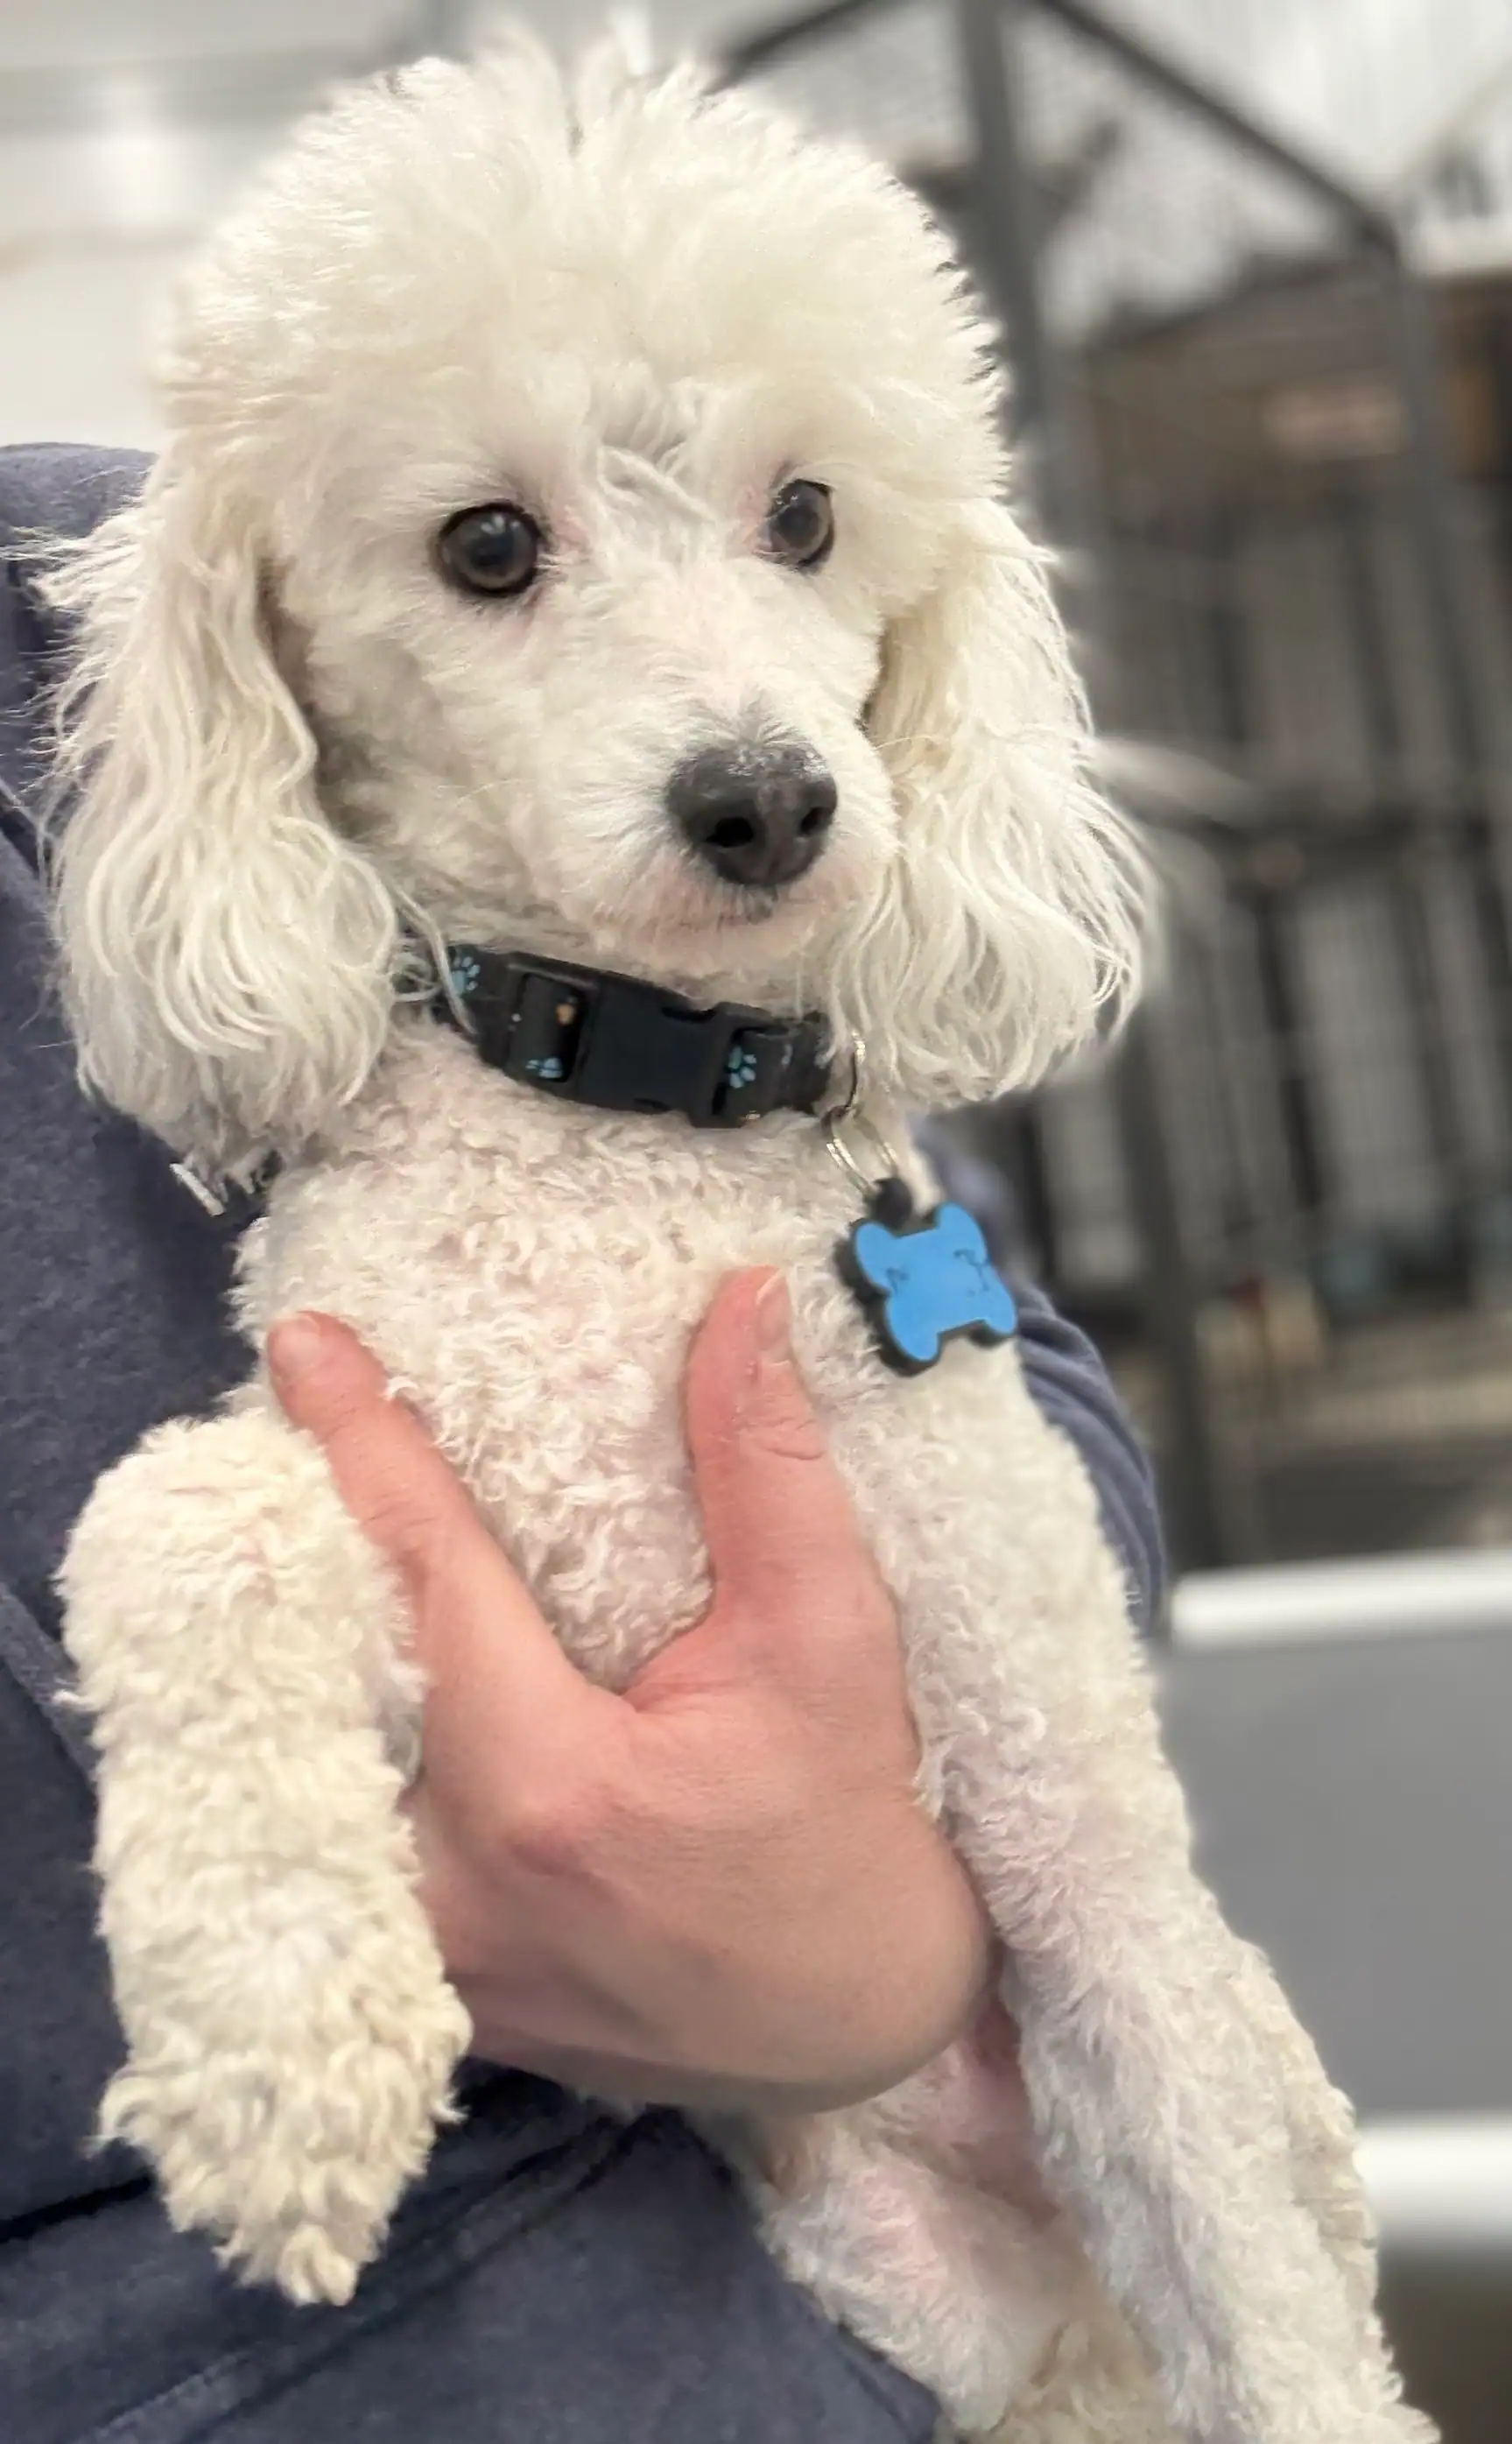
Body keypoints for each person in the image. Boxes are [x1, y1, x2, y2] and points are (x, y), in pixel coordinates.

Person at [0, 445, 1163, 2444]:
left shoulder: (157, 585)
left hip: (871, 2303)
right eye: (498, 555)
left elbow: (967, 1295)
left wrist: (897, 1887)